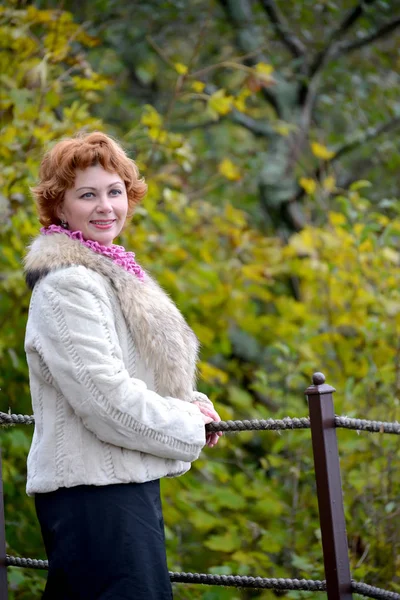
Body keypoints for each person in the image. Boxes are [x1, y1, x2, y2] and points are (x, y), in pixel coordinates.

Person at [23, 131, 222, 600]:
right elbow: (106, 401)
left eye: (114, 192)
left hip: (120, 486)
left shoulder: (108, 273)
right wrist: (187, 425)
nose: (105, 206)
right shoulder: (67, 284)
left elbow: (131, 373)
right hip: (92, 497)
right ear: (59, 205)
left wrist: (191, 404)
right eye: (87, 194)